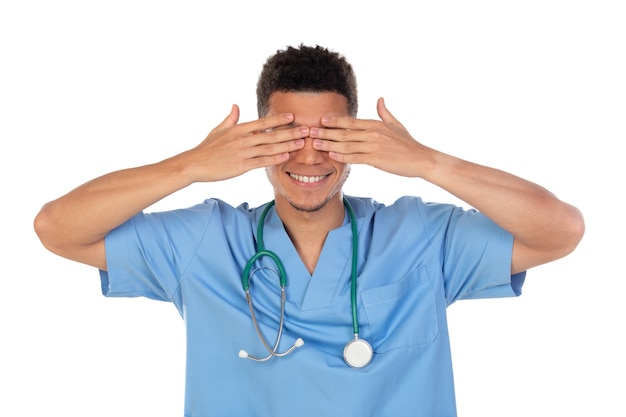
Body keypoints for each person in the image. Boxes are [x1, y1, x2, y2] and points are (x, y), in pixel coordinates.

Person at [34, 44, 584, 416]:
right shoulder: (206, 243)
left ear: (360, 140)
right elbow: (58, 227)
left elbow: (560, 230)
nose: (309, 154)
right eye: (286, 133)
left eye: (331, 133)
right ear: (253, 140)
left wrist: (427, 162)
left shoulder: (419, 235)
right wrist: (191, 166)